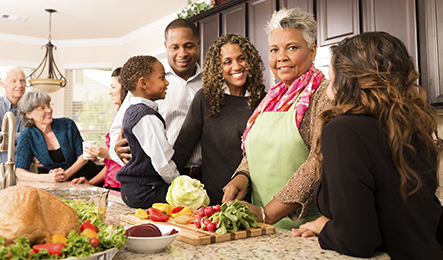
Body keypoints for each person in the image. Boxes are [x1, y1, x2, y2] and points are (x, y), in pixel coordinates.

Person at [290, 31, 443, 259]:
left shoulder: (343, 130)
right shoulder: (415, 126)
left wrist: (323, 226)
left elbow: (356, 241)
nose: (330, 93)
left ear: (348, 82)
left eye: (332, 81)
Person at [222, 8, 330, 229]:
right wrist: (241, 175)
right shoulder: (271, 99)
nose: (281, 57)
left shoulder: (325, 95)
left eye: (292, 47)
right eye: (274, 49)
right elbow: (258, 150)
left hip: (304, 228)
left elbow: (319, 161)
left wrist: (268, 213)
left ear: (312, 51)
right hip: (258, 223)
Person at [172, 33, 266, 205]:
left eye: (241, 59)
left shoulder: (265, 101)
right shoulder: (205, 99)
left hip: (257, 200)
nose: (236, 66)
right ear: (218, 68)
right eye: (227, 62)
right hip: (215, 200)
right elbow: (182, 149)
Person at [115, 18, 203, 179]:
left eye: (188, 46)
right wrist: (119, 151)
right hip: (161, 177)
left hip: (208, 174)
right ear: (165, 46)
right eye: (175, 47)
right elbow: (118, 130)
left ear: (198, 43)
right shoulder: (147, 82)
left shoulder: (212, 81)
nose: (182, 53)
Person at [116, 55, 179, 208]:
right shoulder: (147, 116)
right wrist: (180, 185)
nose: (167, 82)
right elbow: (162, 161)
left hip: (134, 189)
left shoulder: (132, 111)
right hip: (146, 190)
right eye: (162, 77)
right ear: (143, 83)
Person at [15, 91, 101, 183]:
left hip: (89, 178)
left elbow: (83, 157)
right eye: (42, 108)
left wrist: (65, 175)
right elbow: (20, 172)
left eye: (49, 105)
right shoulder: (27, 136)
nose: (49, 110)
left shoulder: (67, 125)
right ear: (29, 114)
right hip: (60, 184)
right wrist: (46, 178)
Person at [70, 67, 127, 190]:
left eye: (113, 87)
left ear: (125, 87)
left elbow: (132, 158)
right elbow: (111, 165)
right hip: (110, 186)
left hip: (123, 187)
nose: (109, 92)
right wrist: (90, 183)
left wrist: (106, 153)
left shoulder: (130, 117)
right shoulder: (119, 116)